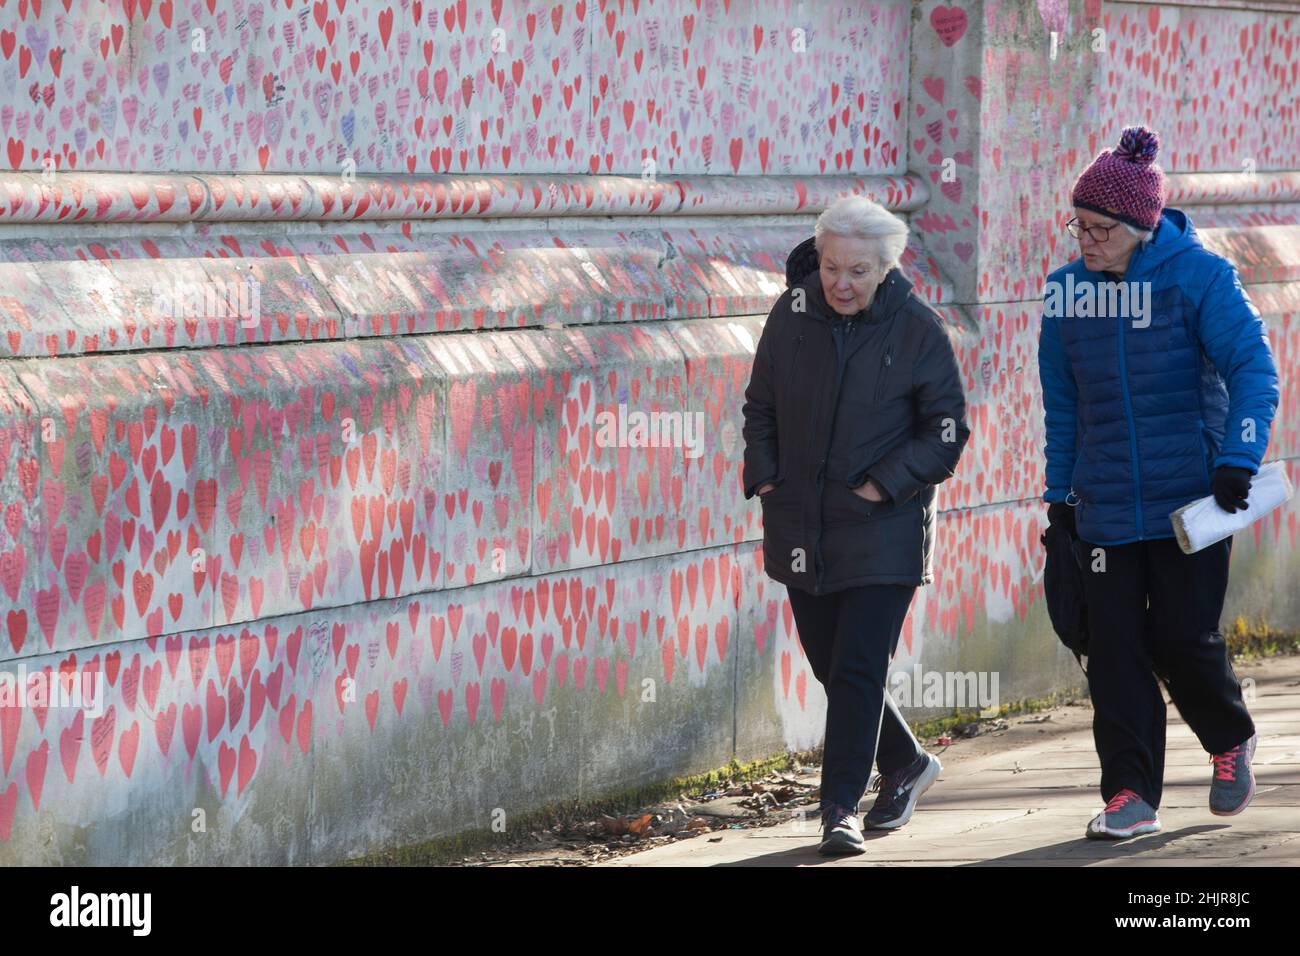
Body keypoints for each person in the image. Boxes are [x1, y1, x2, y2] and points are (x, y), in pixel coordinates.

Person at [1037, 126, 1280, 839]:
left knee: (1181, 638)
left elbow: (1252, 371)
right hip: (1104, 502)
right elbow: (1062, 404)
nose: (1086, 240)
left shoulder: (1197, 276)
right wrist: (1060, 499)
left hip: (1192, 501)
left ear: (1142, 226)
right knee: (1112, 652)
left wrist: (1238, 455)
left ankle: (1229, 738)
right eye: (1079, 225)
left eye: (1102, 229)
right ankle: (1129, 795)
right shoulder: (1065, 295)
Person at [741, 195, 971, 855]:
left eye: (858, 272)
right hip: (801, 524)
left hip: (884, 527)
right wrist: (764, 475)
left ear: (886, 268)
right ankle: (906, 764)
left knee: (859, 667)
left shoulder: (917, 329)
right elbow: (760, 406)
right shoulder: (791, 315)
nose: (841, 283)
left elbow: (947, 430)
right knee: (833, 666)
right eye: (831, 267)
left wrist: (885, 483)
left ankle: (837, 808)